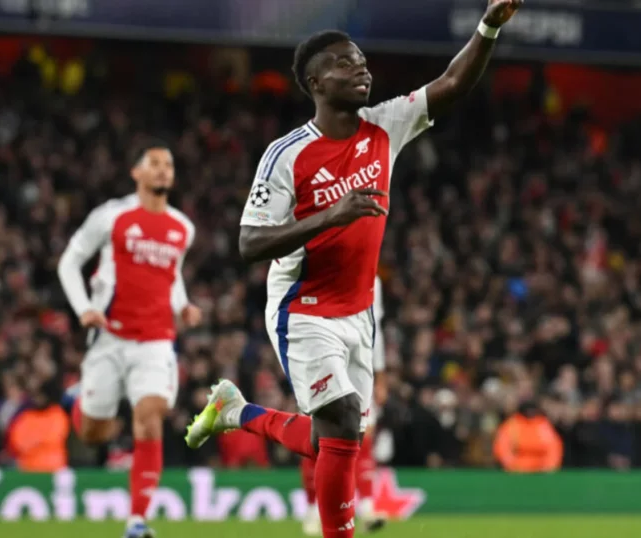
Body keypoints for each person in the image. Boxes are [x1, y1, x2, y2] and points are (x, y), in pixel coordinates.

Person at [184, 2, 523, 536]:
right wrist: (330, 215)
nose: (361, 68)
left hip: (359, 310)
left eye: (362, 59)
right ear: (317, 82)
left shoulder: (385, 124)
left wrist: (490, 25)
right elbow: (249, 244)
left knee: (331, 442)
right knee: (340, 418)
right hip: (304, 306)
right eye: (345, 63)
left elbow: (454, 82)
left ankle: (237, 413)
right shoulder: (286, 155)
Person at [57, 143, 202, 538]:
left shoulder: (182, 228)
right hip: (109, 337)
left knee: (150, 416)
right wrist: (84, 308)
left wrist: (184, 305)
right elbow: (69, 261)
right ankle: (77, 399)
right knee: (94, 433)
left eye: (168, 164)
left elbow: (171, 276)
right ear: (135, 173)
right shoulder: (112, 216)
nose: (162, 170)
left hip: (156, 340)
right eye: (153, 164)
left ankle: (137, 521)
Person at [301, 275, 388, 535]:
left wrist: (380, 375)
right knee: (315, 435)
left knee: (363, 434)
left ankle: (368, 508)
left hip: (358, 362)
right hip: (321, 358)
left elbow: (375, 329)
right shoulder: (319, 266)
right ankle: (312, 509)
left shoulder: (373, 279)